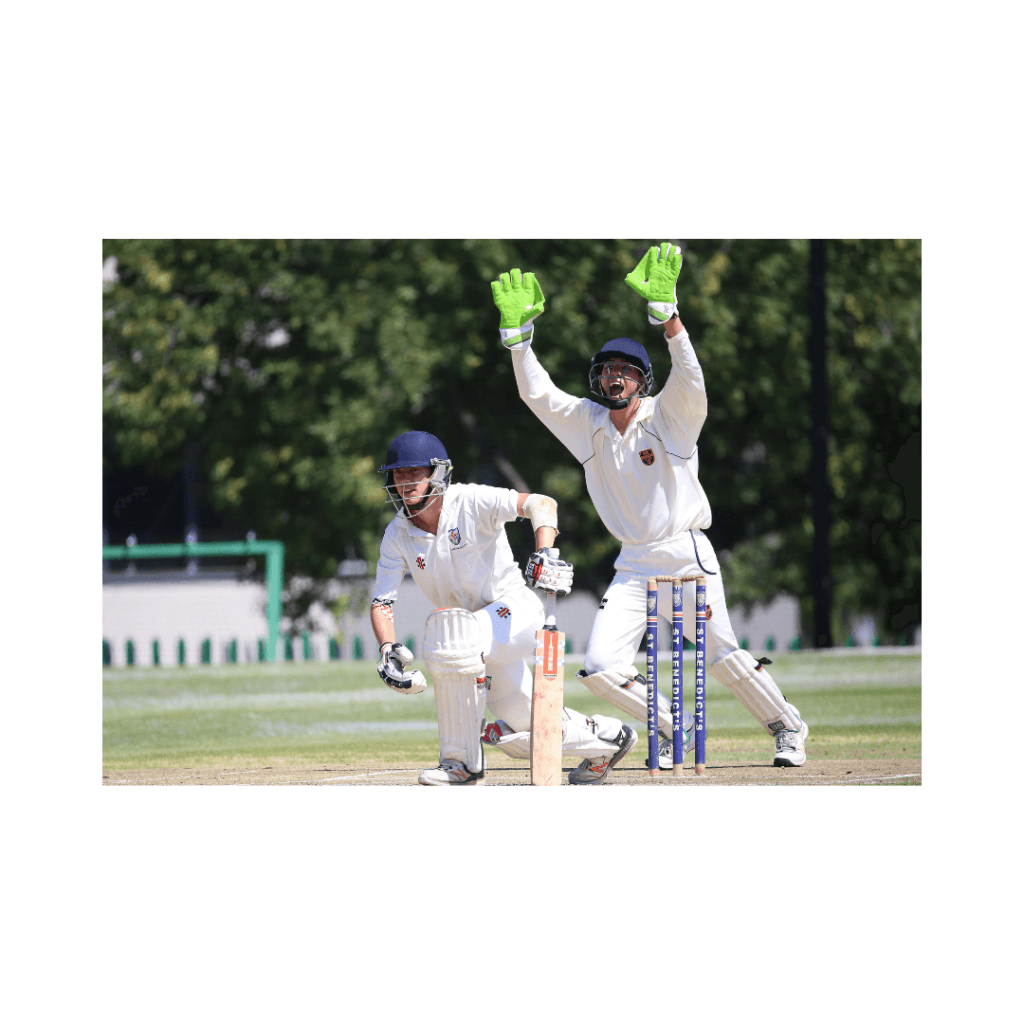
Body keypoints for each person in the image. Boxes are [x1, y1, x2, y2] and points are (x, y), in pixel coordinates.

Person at [490, 246, 809, 769]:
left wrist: (670, 317)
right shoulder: (588, 424)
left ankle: (787, 724)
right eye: (607, 369)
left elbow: (694, 382)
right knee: (599, 666)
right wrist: (519, 342)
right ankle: (671, 725)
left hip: (684, 554)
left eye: (627, 371)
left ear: (643, 380)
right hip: (634, 563)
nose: (615, 378)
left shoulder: (670, 417)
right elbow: (538, 396)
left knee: (721, 654)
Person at [370, 429, 638, 785]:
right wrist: (387, 649)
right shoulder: (397, 533)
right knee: (529, 727)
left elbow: (542, 504)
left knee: (451, 633)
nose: (405, 482)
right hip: (475, 640)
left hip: (515, 613)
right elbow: (381, 601)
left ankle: (462, 764)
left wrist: (544, 552)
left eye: (414, 472)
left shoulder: (470, 501)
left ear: (437, 473)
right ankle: (607, 739)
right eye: (399, 474)